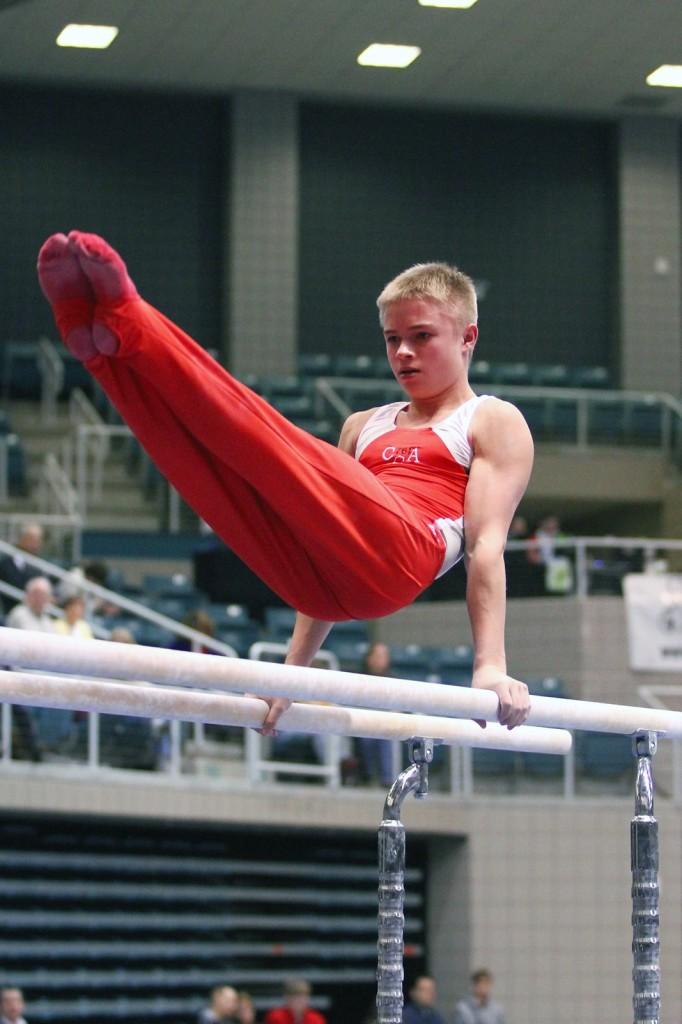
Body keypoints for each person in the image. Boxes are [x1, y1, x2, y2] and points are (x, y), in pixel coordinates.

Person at [37, 231, 533, 734]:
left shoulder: (490, 419)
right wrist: (291, 675)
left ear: (467, 338)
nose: (403, 352)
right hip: (322, 577)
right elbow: (323, 520)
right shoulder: (362, 425)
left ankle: (129, 317)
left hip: (402, 554)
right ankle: (104, 354)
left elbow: (485, 549)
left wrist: (489, 666)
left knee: (253, 432)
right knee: (208, 473)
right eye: (392, 339)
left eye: (421, 336)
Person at [356, 642, 395, 786]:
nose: (380, 659)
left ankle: (387, 780)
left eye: (384, 656)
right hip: (363, 723)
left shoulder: (395, 681)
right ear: (369, 658)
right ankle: (367, 776)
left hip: (387, 725)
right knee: (366, 737)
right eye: (377, 655)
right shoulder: (358, 679)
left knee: (386, 738)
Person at [0, 523, 44, 613]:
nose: (35, 544)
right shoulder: (6, 563)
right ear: (22, 539)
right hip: (10, 610)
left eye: (37, 540)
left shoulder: (39, 568)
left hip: (32, 612)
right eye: (32, 540)